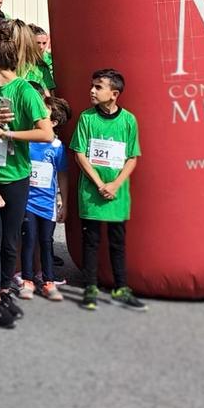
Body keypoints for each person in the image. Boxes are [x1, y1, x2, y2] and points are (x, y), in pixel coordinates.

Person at [0, 34, 54, 329]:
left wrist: (7, 134)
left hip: (16, 175)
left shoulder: (25, 91)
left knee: (11, 240)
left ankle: (6, 289)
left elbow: (46, 133)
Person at [72, 69, 145, 311]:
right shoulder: (86, 118)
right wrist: (99, 183)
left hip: (117, 194)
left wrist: (115, 184)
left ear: (114, 94)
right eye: (91, 86)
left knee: (118, 242)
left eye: (98, 87)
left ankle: (121, 287)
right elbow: (80, 153)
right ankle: (90, 287)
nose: (92, 90)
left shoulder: (128, 121)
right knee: (91, 241)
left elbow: (132, 157)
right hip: (92, 194)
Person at [21, 100, 69, 301]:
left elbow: (63, 175)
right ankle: (27, 280)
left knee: (46, 242)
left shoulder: (57, 147)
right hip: (27, 202)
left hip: (47, 203)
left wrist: (64, 202)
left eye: (43, 115)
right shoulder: (27, 141)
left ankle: (49, 281)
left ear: (54, 122)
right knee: (28, 240)